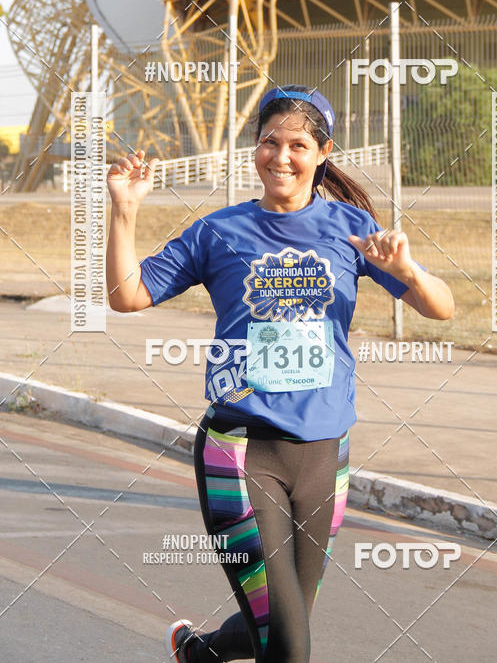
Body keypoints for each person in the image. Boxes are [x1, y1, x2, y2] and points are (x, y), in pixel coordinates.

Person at [106, 85, 454, 663]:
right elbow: (127, 296)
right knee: (290, 647)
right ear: (255, 148)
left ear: (323, 152)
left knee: (283, 623)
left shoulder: (352, 227)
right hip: (240, 452)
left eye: (297, 144)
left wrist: (409, 271)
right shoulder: (218, 232)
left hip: (325, 454)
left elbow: (441, 308)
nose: (281, 157)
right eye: (270, 142)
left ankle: (198, 652)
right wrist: (124, 209)